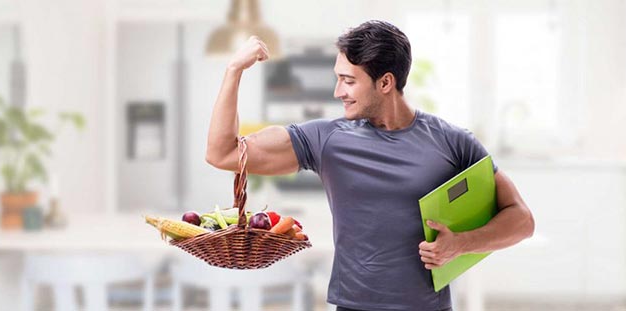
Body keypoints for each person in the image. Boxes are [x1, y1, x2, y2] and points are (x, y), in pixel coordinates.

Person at [206, 20, 535, 311]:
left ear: (386, 83)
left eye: (348, 81)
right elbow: (223, 153)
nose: (338, 92)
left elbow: (521, 219)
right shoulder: (326, 140)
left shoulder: (452, 141)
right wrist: (233, 71)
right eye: (338, 79)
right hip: (352, 307)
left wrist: (461, 244)